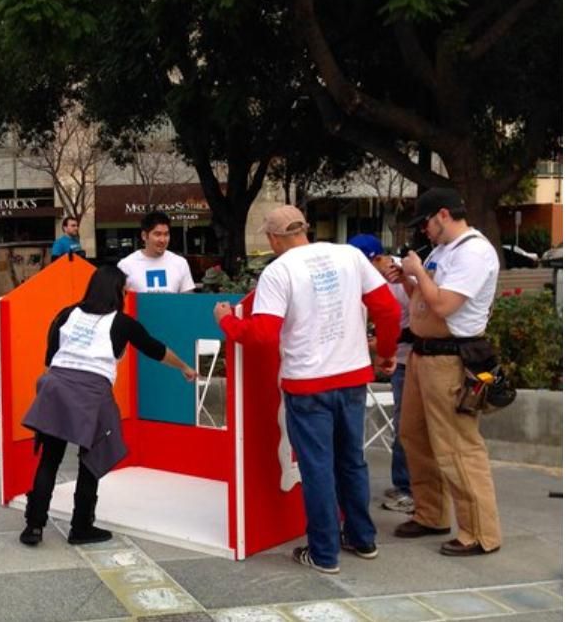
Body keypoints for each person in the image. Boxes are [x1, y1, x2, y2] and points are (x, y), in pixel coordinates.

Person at [213, 206, 400, 574]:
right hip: (351, 378)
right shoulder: (349, 255)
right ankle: (362, 539)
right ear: (306, 229)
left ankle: (324, 552)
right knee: (352, 461)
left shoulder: (279, 271)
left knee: (317, 468)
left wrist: (226, 324)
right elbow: (388, 310)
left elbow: (263, 335)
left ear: (272, 238)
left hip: (306, 384)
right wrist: (388, 353)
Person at [19, 265, 196, 546]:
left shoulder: (66, 314)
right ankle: (81, 527)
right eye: (124, 289)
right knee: (91, 460)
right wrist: (185, 368)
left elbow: (49, 357)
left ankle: (34, 527)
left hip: (56, 387)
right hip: (93, 394)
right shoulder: (123, 323)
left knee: (50, 459)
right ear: (117, 291)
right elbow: (155, 349)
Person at [392, 188, 502, 557]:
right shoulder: (442, 251)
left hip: (452, 357)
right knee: (414, 436)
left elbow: (442, 304)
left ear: (442, 214)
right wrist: (407, 278)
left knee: (458, 446)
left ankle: (480, 533)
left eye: (425, 223)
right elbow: (424, 297)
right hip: (423, 355)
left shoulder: (474, 251)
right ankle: (431, 513)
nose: (423, 231)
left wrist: (417, 271)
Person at [348, 234, 414, 514]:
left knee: (406, 426)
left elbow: (413, 319)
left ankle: (409, 489)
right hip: (395, 354)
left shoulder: (399, 278)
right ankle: (403, 483)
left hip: (409, 356)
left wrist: (384, 347)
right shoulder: (368, 277)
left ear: (375, 259)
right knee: (401, 422)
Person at [117, 211, 195, 293]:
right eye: (157, 234)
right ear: (144, 235)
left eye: (166, 234)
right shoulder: (126, 265)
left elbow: (188, 301)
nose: (162, 240)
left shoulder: (180, 263)